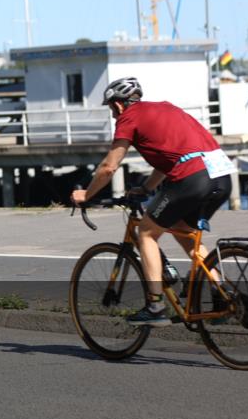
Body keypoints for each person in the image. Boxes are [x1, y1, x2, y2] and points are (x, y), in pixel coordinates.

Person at [70, 77, 234, 327]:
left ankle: (155, 305)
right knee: (184, 232)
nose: (114, 116)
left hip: (193, 179)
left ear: (119, 105)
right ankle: (221, 293)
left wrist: (87, 195)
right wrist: (147, 188)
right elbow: (172, 158)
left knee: (146, 232)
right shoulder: (166, 108)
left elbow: (108, 167)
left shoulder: (129, 117)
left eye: (112, 109)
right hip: (221, 176)